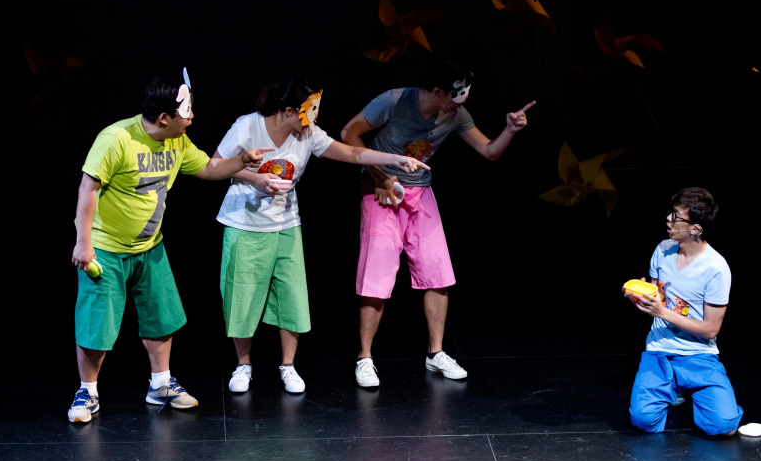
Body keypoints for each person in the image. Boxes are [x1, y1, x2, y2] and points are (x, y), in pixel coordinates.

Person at [68, 70, 273, 423]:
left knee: (161, 316)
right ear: (165, 117)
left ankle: (160, 384)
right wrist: (84, 243)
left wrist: (241, 161)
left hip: (150, 247)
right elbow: (88, 188)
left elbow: (207, 168)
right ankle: (87, 392)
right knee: (96, 324)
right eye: (186, 112)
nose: (191, 117)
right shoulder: (116, 139)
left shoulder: (177, 142)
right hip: (106, 249)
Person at [215, 79, 429, 394]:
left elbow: (351, 153)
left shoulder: (308, 134)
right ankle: (243, 365)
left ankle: (287, 366)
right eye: (308, 111)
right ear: (288, 111)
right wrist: (255, 179)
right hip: (245, 224)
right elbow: (215, 164)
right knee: (243, 299)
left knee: (291, 298)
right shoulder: (249, 126)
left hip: (286, 224)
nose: (313, 118)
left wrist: (393, 159)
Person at [340, 57, 535, 387]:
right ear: (436, 91)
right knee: (376, 276)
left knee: (437, 272)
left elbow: (489, 152)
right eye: (455, 95)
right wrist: (381, 178)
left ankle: (435, 353)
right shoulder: (394, 101)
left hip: (420, 194)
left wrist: (510, 130)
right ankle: (365, 358)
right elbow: (349, 133)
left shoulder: (456, 114)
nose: (462, 101)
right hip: (380, 192)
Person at [625, 187, 743, 436]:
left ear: (695, 229)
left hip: (699, 355)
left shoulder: (716, 268)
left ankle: (695, 393)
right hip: (660, 351)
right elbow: (658, 296)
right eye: (670, 213)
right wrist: (642, 296)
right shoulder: (663, 249)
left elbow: (711, 329)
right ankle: (673, 388)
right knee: (644, 420)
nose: (669, 219)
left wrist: (662, 313)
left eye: (676, 217)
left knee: (723, 426)